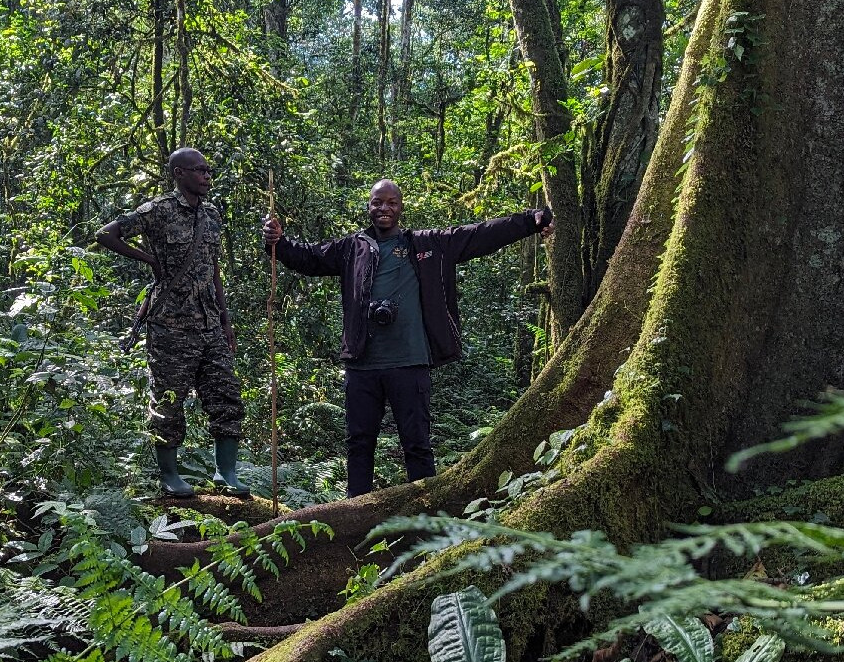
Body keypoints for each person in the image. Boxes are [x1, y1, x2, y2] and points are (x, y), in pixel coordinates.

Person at [262, 179, 555, 497]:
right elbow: (309, 258)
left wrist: (531, 220)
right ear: (369, 207)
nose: (383, 208)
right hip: (362, 364)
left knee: (416, 444)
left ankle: (426, 516)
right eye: (377, 203)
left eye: (391, 203)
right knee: (360, 443)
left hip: (410, 362)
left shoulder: (427, 245)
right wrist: (278, 241)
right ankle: (356, 513)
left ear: (401, 207)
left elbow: (479, 234)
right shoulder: (352, 249)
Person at [97, 148, 250, 498]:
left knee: (225, 395)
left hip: (210, 324)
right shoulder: (158, 210)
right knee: (168, 401)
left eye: (209, 171)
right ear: (179, 173)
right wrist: (149, 259)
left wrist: (226, 320)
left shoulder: (211, 214)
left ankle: (226, 473)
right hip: (171, 325)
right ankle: (170, 476)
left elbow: (214, 270)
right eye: (200, 171)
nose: (207, 177)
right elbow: (105, 234)